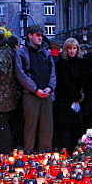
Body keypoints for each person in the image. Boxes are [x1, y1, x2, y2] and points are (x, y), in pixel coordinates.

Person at [15, 25, 56, 154]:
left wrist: (50, 87)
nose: (40, 37)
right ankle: (28, 152)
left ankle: (45, 152)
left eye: (41, 35)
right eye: (37, 35)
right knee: (30, 126)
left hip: (46, 94)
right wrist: (35, 89)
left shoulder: (45, 52)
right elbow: (21, 74)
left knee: (47, 126)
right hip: (31, 94)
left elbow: (52, 71)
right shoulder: (21, 52)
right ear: (30, 35)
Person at [54, 38, 85, 152]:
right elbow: (65, 82)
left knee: (77, 127)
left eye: (74, 48)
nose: (72, 51)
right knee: (65, 127)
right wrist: (77, 96)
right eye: (70, 48)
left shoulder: (80, 62)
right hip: (65, 99)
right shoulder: (61, 63)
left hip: (79, 98)